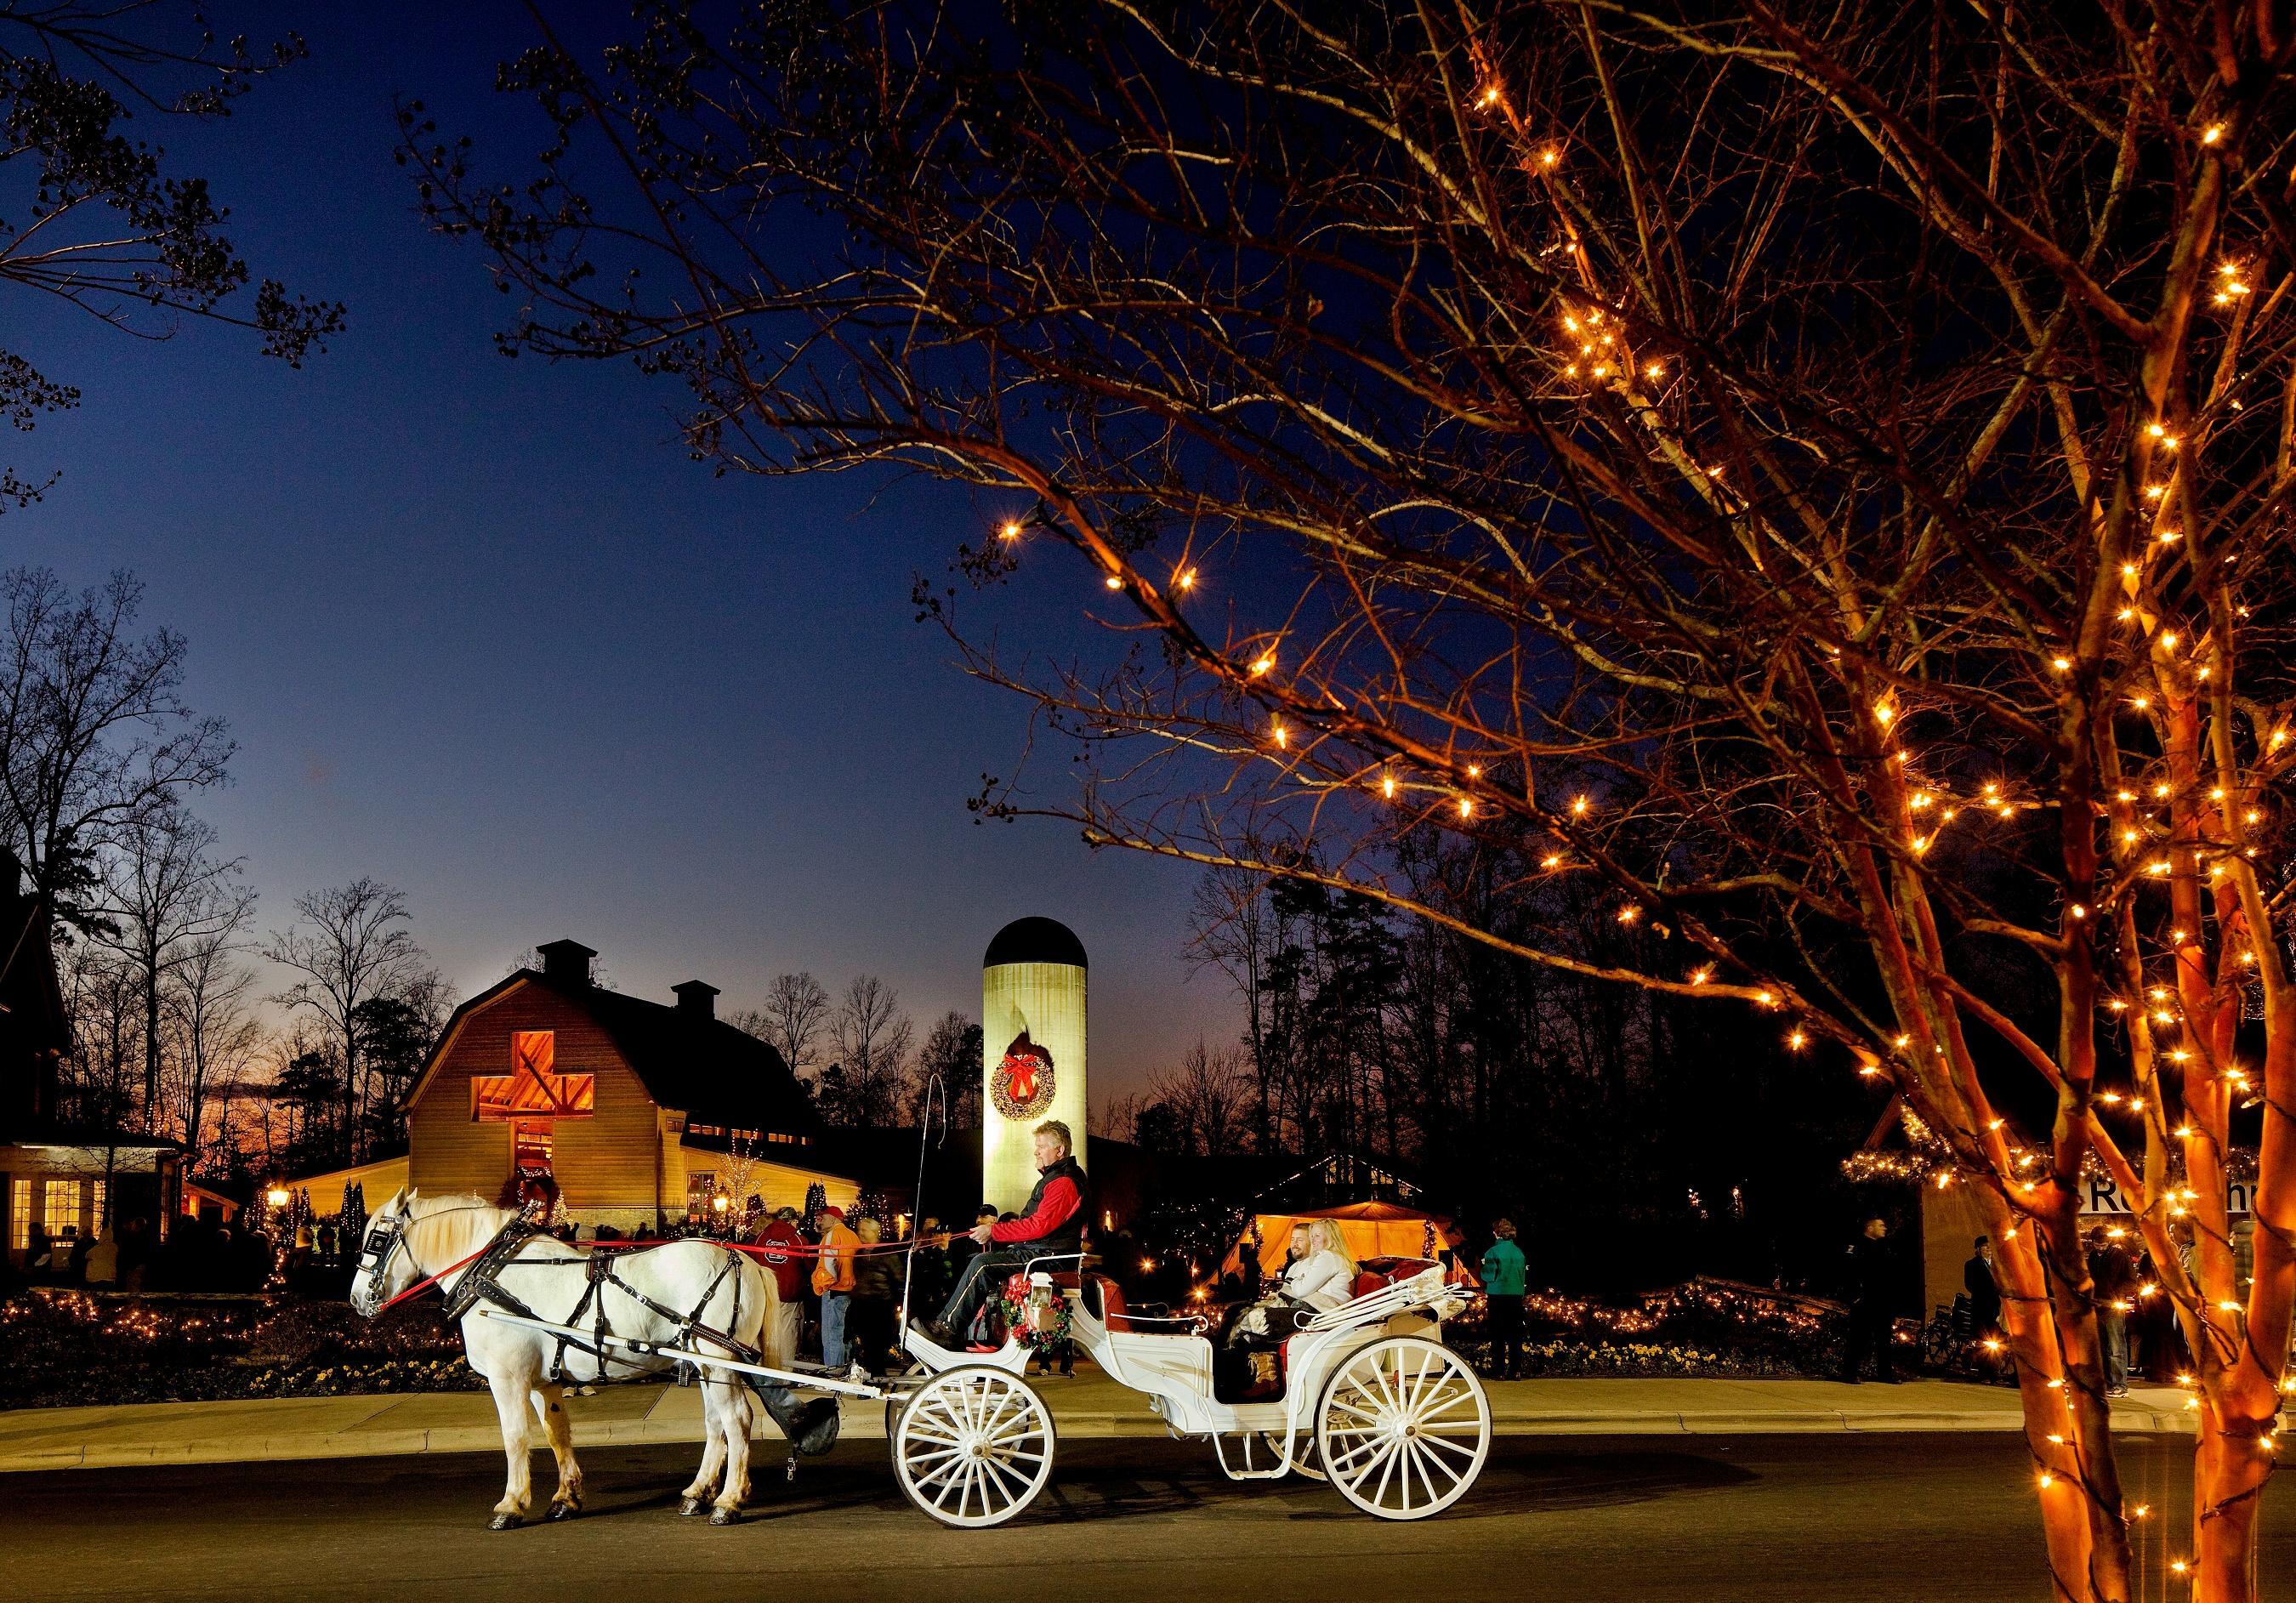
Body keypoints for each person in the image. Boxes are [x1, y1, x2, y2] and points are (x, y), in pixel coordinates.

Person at [919, 1120, 1089, 1347]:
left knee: (982, 1264)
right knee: (977, 1261)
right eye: (1036, 1145)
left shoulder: (1064, 1183)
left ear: (1059, 1150)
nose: (1035, 1151)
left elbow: (1038, 1226)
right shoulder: (1056, 1179)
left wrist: (994, 1231)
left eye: (1041, 1146)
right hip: (1041, 1252)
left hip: (1048, 1258)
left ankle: (948, 1328)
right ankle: (972, 1331)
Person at [1839, 1217, 1899, 1384]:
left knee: (1884, 1338)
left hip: (1883, 1301)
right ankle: (1849, 1372)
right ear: (1870, 1228)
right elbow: (1849, 1272)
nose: (1884, 1228)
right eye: (1880, 1225)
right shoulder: (1858, 1246)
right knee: (1859, 1337)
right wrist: (1854, 1296)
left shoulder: (1884, 1248)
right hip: (1865, 1300)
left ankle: (1885, 1374)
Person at [754, 1206, 807, 1365]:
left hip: (764, 1292)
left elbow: (754, 1259)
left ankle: (759, 1370)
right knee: (787, 1333)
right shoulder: (799, 1240)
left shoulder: (761, 1237)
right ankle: (784, 1371)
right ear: (793, 1221)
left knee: (762, 1330)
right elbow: (808, 1265)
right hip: (789, 1293)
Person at [2088, 1225, 2135, 1396]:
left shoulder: (2120, 1256)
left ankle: (2120, 1385)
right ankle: (2108, 1383)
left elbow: (2131, 1281)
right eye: (2098, 1245)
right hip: (2098, 1305)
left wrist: (2116, 1293)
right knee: (2101, 1347)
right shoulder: (2093, 1257)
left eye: (2104, 1245)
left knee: (2116, 1347)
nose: (2100, 1248)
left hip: (2113, 1306)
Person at [811, 1204, 861, 1369]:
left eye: (822, 1218)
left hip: (834, 1290)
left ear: (832, 1219)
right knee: (844, 1334)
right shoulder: (852, 1235)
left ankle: (833, 1373)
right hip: (850, 1291)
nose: (819, 1221)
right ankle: (845, 1369)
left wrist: (825, 1285)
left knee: (832, 1335)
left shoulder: (833, 1235)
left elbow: (829, 1263)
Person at [850, 1216, 898, 1374]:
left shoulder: (887, 1253)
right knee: (866, 1344)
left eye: (864, 1230)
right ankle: (871, 1376)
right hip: (862, 1304)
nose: (861, 1233)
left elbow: (899, 1277)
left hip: (881, 1305)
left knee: (878, 1344)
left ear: (875, 1232)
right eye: (859, 1229)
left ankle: (877, 1377)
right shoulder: (859, 1254)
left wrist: (894, 1300)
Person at [1480, 1219, 1527, 1380]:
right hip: (1515, 1296)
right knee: (1515, 1334)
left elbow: (1488, 1275)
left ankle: (1498, 1371)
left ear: (1497, 1233)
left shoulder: (1492, 1252)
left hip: (1497, 1295)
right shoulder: (1519, 1252)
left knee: (1497, 1334)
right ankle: (1516, 1370)